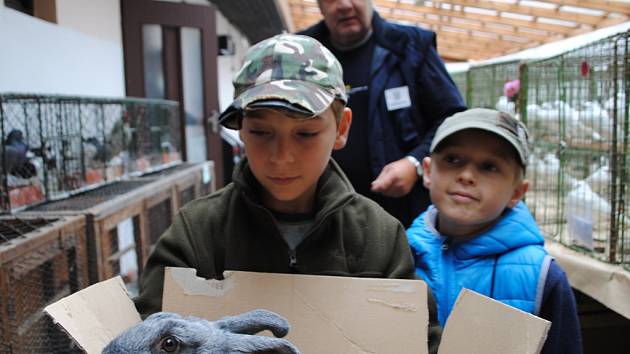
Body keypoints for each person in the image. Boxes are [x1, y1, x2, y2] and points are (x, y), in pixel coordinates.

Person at [134, 33, 441, 352]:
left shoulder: (379, 237)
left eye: (306, 133)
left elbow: (418, 340)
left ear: (341, 128)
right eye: (261, 132)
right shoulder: (197, 231)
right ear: (241, 129)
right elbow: (143, 334)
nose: (281, 157)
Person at [406, 108, 582, 354]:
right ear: (427, 171)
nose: (466, 175)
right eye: (452, 159)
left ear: (517, 193)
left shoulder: (542, 277)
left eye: (489, 167)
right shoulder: (399, 254)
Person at [299, 0, 466, 228]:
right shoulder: (302, 52)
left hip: (399, 215)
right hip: (321, 213)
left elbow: (452, 117)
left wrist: (414, 162)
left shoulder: (409, 47)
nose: (345, 5)